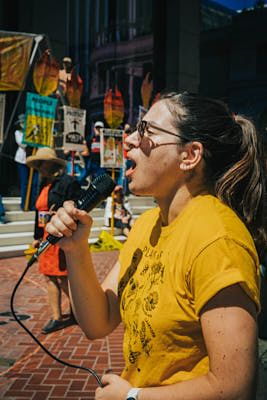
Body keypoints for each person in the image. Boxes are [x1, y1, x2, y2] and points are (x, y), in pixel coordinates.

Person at [46, 91, 266, 399]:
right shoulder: (147, 224)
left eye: (146, 131)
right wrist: (76, 249)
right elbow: (99, 321)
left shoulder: (219, 241)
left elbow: (234, 388)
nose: (129, 140)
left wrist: (133, 397)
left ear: (190, 155)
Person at [26, 147, 82, 334]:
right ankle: (57, 317)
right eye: (37, 164)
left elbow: (76, 207)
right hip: (45, 238)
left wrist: (60, 213)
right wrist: (36, 237)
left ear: (51, 163)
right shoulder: (42, 184)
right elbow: (38, 214)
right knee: (49, 277)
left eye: (41, 163)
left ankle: (78, 310)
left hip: (60, 236)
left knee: (64, 278)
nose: (39, 167)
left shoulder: (68, 182)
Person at [14, 114, 38, 210]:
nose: (23, 124)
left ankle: (32, 204)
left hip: (33, 159)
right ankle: (24, 204)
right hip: (22, 160)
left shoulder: (34, 132)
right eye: (22, 123)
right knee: (25, 183)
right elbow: (23, 144)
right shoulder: (18, 133)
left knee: (34, 183)